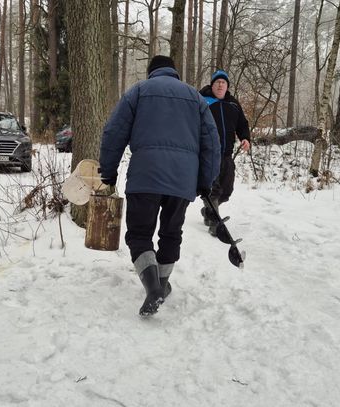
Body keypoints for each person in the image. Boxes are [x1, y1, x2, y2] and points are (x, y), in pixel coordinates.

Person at [99, 55, 221, 316]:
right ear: (174, 72)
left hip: (145, 177)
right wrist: (205, 181)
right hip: (182, 180)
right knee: (171, 233)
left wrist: (108, 171)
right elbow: (212, 142)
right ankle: (162, 284)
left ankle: (153, 287)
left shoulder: (139, 91)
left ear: (151, 72)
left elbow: (114, 131)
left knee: (139, 234)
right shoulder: (195, 98)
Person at [199, 70, 251, 234]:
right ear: (212, 85)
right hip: (208, 154)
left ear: (227, 86)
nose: (220, 85)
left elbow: (242, 124)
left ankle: (208, 211)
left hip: (227, 154)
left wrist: (245, 138)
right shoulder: (202, 101)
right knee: (213, 190)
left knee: (226, 191)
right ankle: (216, 225)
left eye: (223, 82)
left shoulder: (233, 104)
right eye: (217, 82)